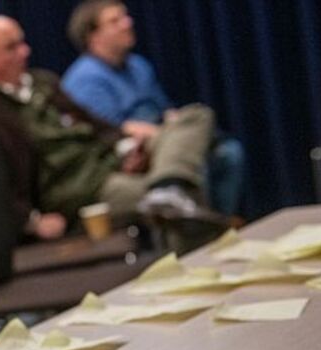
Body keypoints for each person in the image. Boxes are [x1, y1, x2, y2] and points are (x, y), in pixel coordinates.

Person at [0, 16, 216, 240]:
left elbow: (95, 125)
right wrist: (31, 221)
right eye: (12, 47)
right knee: (184, 194)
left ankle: (167, 185)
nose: (25, 51)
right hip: (78, 189)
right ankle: (170, 195)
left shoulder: (44, 81)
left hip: (110, 161)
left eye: (22, 42)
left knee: (194, 116)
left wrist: (125, 147)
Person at [61, 0, 245, 216]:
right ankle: (194, 224)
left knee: (225, 150)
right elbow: (112, 130)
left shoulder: (138, 65)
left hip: (162, 137)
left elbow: (162, 109)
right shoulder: (85, 78)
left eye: (126, 16)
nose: (127, 23)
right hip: (131, 151)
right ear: (93, 36)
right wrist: (170, 134)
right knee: (193, 163)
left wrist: (175, 123)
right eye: (115, 21)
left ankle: (217, 223)